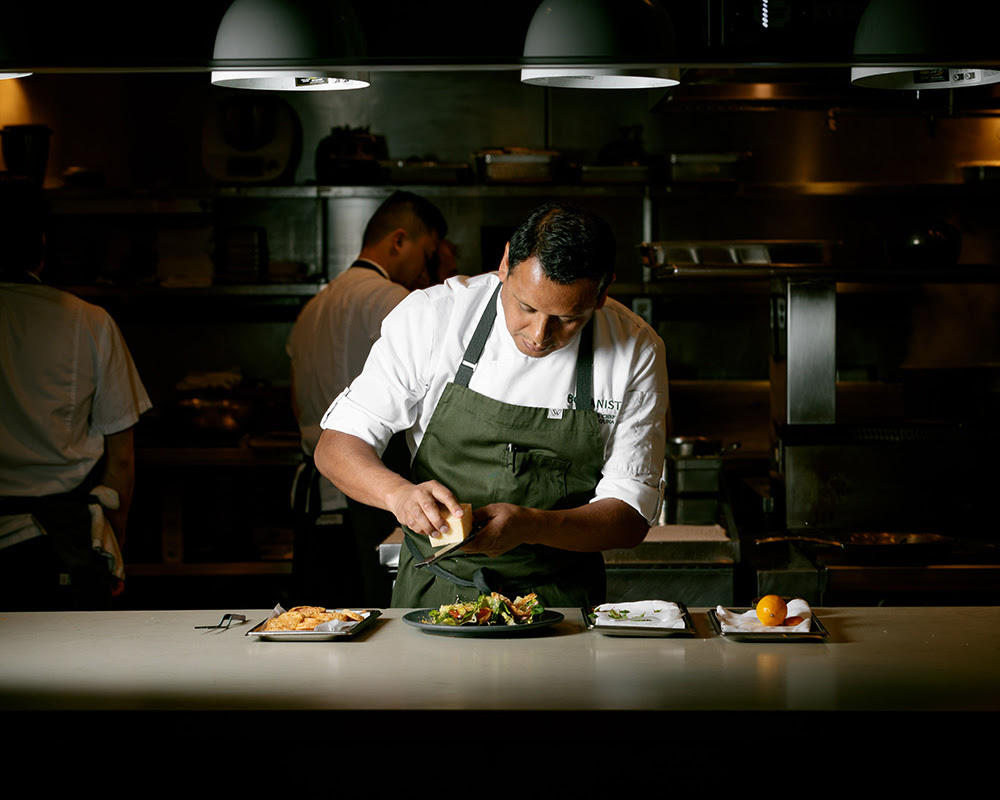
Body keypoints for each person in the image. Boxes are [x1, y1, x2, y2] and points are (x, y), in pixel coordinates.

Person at [314, 201, 668, 608]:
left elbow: (629, 517)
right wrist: (400, 496)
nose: (539, 335)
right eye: (526, 306)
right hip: (435, 596)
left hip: (561, 605)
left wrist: (533, 525)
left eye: (568, 318)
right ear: (504, 265)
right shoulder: (434, 319)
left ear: (602, 293)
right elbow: (337, 446)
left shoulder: (636, 349)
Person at [286, 190, 453, 605]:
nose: (425, 271)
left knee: (321, 619)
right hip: (373, 486)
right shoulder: (401, 302)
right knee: (375, 617)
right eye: (427, 255)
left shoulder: (314, 306)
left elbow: (295, 398)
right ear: (400, 241)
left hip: (315, 492)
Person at [0, 178, 151, 611]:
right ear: (42, 247)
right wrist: (114, 539)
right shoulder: (88, 321)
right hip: (53, 541)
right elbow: (120, 454)